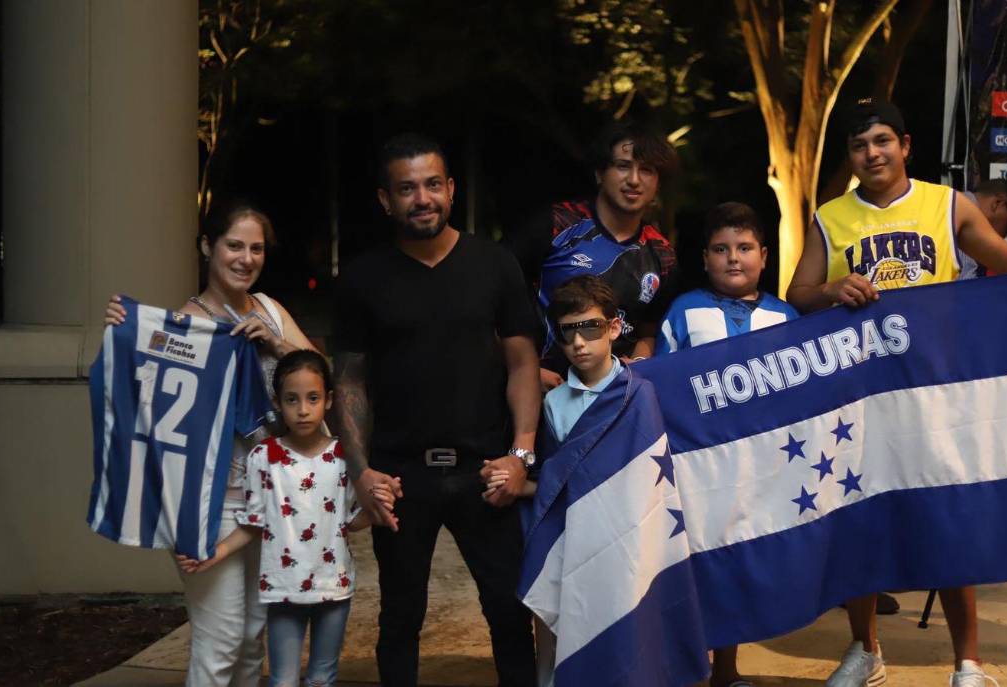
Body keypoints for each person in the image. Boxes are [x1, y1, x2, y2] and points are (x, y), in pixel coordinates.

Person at [785, 98, 1007, 687]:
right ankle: (866, 649)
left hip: (935, 386)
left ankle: (968, 662)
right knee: (861, 513)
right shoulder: (830, 216)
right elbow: (798, 292)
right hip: (862, 392)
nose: (872, 153)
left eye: (882, 141)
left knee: (950, 515)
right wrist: (833, 288)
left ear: (905, 145)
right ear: (850, 155)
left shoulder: (945, 204)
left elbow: (1003, 257)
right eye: (860, 145)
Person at [331, 133, 541, 687]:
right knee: (400, 616)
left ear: (450, 189)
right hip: (400, 475)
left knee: (509, 611)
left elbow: (523, 364)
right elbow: (349, 381)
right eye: (406, 189)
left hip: (486, 469)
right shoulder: (361, 277)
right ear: (385, 200)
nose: (421, 198)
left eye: (431, 185)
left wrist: (520, 455)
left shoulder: (494, 264)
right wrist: (361, 472)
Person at [104, 202, 320, 687]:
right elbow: (145, 403)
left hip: (269, 500)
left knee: (252, 638)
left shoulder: (270, 310)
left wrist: (275, 344)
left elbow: (316, 374)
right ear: (208, 247)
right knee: (219, 640)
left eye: (256, 248)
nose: (246, 258)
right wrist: (126, 328)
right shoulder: (183, 325)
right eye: (234, 245)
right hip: (209, 503)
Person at [177, 350, 388, 687]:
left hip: (333, 589)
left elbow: (351, 521)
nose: (303, 409)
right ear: (277, 402)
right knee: (282, 680)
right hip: (282, 591)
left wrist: (378, 508)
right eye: (292, 399)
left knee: (322, 678)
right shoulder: (263, 457)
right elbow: (252, 523)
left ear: (329, 401)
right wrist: (214, 553)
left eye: (313, 398)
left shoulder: (344, 458)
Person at [654, 202, 797, 687]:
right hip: (695, 464)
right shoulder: (684, 311)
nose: (733, 258)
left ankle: (727, 671)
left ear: (764, 255)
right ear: (704, 257)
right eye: (721, 249)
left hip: (761, 467)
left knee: (736, 561)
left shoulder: (785, 317)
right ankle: (679, 665)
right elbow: (663, 383)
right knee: (691, 565)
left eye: (743, 248)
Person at [485, 274, 625, 687]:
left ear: (614, 327)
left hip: (620, 538)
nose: (580, 343)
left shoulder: (638, 393)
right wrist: (509, 480)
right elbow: (551, 478)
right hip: (565, 538)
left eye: (590, 328)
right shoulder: (553, 405)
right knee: (555, 639)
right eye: (568, 333)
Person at [507, 122, 680, 389]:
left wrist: (640, 362)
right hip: (541, 392)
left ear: (657, 183)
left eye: (646, 170)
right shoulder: (555, 224)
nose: (634, 179)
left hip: (614, 400)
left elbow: (649, 330)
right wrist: (527, 370)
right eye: (623, 166)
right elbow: (498, 302)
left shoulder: (663, 255)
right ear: (600, 173)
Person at [957, 179, 1007, 279]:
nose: (1004, 236)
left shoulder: (947, 201)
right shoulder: (963, 220)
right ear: (998, 203)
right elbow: (965, 290)